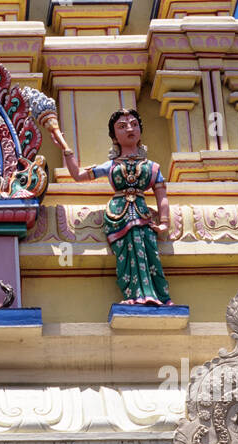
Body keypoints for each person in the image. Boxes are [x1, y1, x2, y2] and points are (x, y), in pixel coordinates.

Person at [57, 108, 173, 306]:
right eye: (122, 126)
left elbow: (161, 196)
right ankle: (134, 294)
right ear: (115, 137)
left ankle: (158, 295)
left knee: (149, 251)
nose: (130, 128)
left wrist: (164, 223)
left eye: (134, 124)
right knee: (127, 254)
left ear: (140, 131)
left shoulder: (152, 167)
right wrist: (64, 147)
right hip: (118, 216)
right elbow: (78, 175)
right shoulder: (111, 166)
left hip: (143, 215)